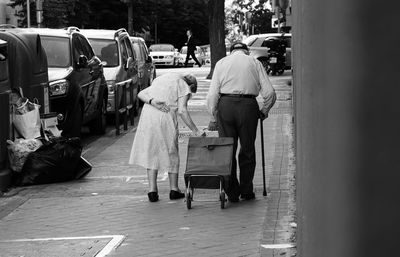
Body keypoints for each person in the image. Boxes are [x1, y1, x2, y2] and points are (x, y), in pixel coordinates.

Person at [206, 42, 277, 202]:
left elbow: (212, 94)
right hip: (248, 106)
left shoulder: (222, 63)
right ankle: (246, 190)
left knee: (227, 148)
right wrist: (264, 111)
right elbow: (270, 93)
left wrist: (213, 116)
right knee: (248, 150)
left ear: (232, 52)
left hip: (226, 106)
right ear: (246, 51)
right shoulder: (254, 62)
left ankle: (231, 192)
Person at [129, 73, 204, 202]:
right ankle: (174, 189)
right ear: (191, 85)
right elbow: (182, 111)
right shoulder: (183, 85)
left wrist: (153, 102)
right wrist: (195, 130)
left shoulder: (161, 79)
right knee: (171, 151)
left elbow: (141, 93)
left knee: (151, 151)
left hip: (148, 116)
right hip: (165, 117)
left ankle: (152, 191)